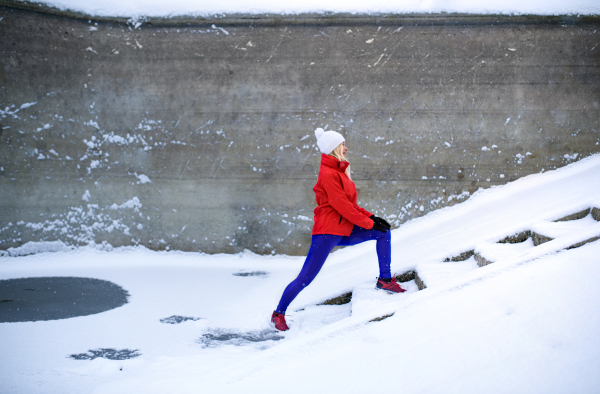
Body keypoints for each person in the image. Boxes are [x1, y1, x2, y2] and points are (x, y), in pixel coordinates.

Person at [271, 128, 405, 331]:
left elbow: (351, 204)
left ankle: (385, 280)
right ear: (334, 148)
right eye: (343, 144)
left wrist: (372, 218)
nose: (346, 147)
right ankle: (278, 313)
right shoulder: (328, 174)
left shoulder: (339, 172)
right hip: (327, 233)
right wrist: (368, 223)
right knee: (305, 279)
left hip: (344, 229)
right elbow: (341, 205)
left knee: (383, 232)